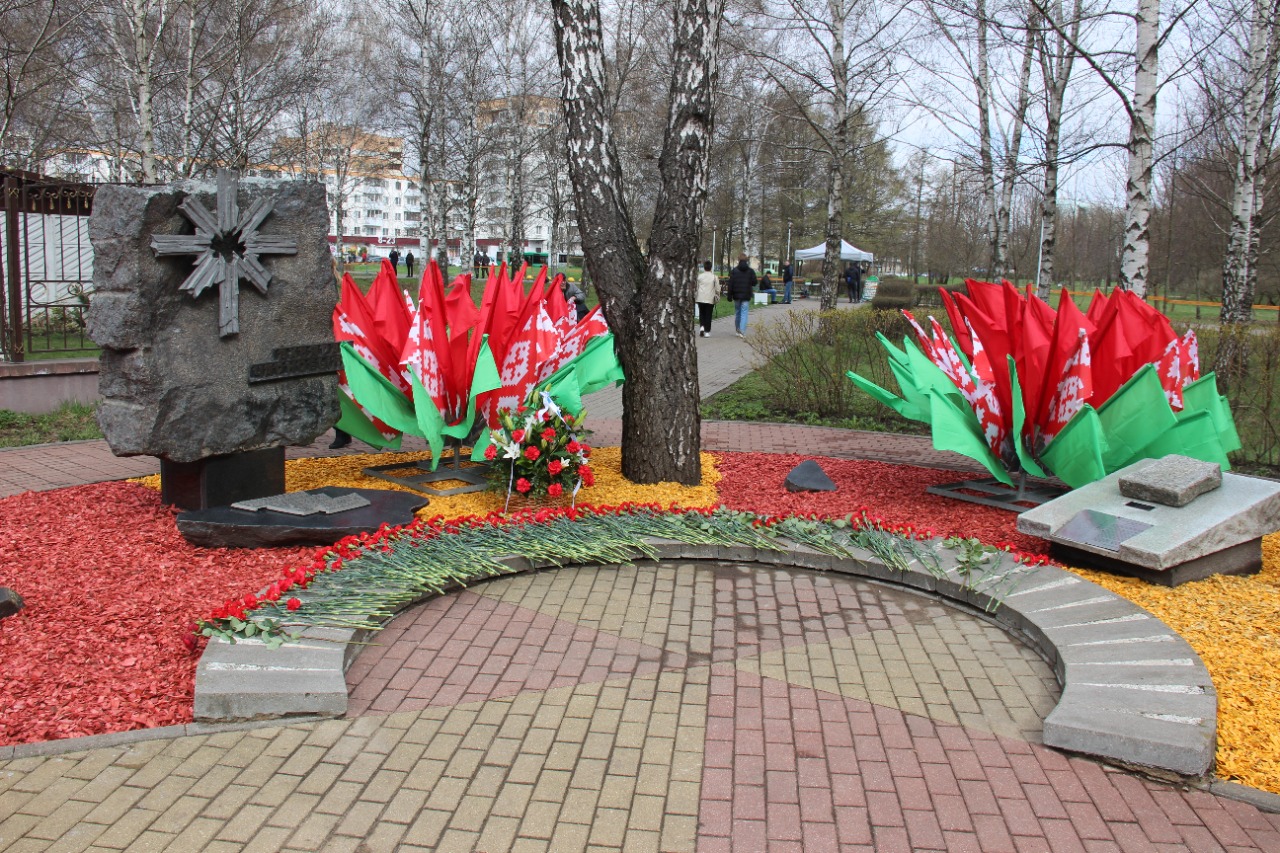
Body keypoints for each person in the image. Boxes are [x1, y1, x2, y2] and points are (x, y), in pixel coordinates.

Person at [727, 253, 757, 338]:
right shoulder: (750, 271)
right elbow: (754, 282)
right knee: (744, 313)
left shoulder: (734, 271)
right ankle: (742, 331)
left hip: (736, 295)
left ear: (738, 260)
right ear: (746, 260)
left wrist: (729, 295)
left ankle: (737, 329)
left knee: (737, 312)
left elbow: (730, 284)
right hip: (746, 295)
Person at [694, 260, 718, 337]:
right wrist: (717, 295)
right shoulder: (714, 277)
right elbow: (717, 288)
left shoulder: (699, 276)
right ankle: (707, 331)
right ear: (711, 267)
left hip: (700, 298)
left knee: (702, 313)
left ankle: (702, 327)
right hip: (710, 298)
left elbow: (696, 287)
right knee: (708, 314)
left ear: (704, 267)